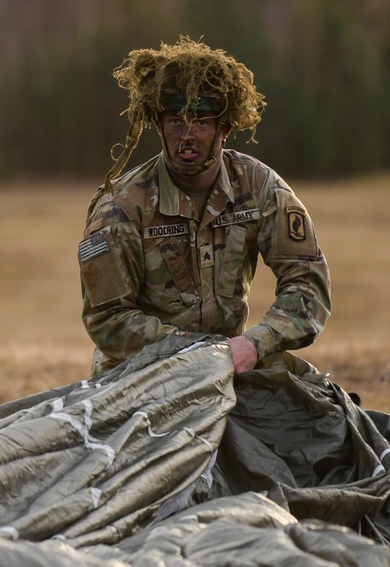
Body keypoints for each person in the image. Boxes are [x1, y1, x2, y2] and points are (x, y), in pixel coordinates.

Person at [78, 36, 331, 378]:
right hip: (137, 374)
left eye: (201, 121)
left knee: (317, 410)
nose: (187, 135)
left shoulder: (258, 188)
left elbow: (307, 283)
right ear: (159, 125)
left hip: (229, 369)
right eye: (176, 121)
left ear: (224, 129)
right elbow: (107, 319)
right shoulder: (121, 207)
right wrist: (199, 352)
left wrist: (256, 343)